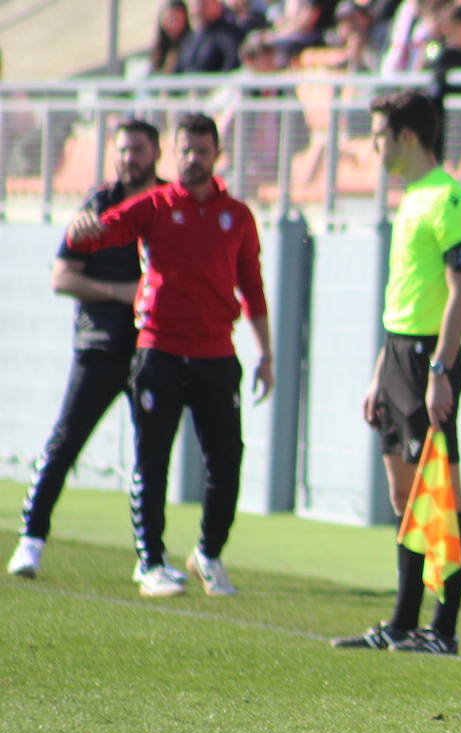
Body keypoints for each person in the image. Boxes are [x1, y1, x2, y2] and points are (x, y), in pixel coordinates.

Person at [64, 112, 274, 598]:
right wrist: (80, 226)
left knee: (226, 461)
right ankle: (151, 561)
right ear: (173, 154)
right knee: (152, 457)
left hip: (217, 354)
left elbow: (253, 287)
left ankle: (208, 554)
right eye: (186, 151)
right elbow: (99, 232)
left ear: (217, 154)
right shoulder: (155, 205)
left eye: (203, 151)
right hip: (159, 350)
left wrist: (266, 354)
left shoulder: (237, 216)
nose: (194, 159)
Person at [331, 90, 461, 656]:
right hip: (396, 356)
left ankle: (443, 630)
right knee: (402, 495)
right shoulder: (411, 196)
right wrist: (377, 374)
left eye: (378, 135)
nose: (373, 145)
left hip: (426, 362)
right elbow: (403, 297)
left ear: (406, 137)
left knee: (442, 493)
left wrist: (439, 368)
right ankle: (399, 624)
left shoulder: (449, 199)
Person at [7, 121, 165, 580]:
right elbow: (62, 277)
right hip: (98, 348)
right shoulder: (98, 205)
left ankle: (150, 559)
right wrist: (121, 292)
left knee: (151, 456)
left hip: (153, 351)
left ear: (155, 152)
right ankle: (30, 542)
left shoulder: (169, 204)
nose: (128, 158)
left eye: (137, 149)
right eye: (122, 150)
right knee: (65, 442)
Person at [176, 0, 245, 72]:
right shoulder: (191, 38)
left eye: (202, 5)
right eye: (194, 6)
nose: (197, 11)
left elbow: (232, 66)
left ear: (216, 4)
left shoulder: (230, 35)